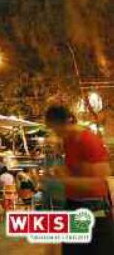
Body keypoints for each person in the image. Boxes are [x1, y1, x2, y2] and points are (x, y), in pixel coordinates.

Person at [45, 104, 114, 254]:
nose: (54, 133)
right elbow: (77, 172)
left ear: (64, 122)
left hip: (94, 213)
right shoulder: (68, 141)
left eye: (54, 128)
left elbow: (98, 182)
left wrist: (65, 179)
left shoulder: (89, 140)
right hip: (74, 206)